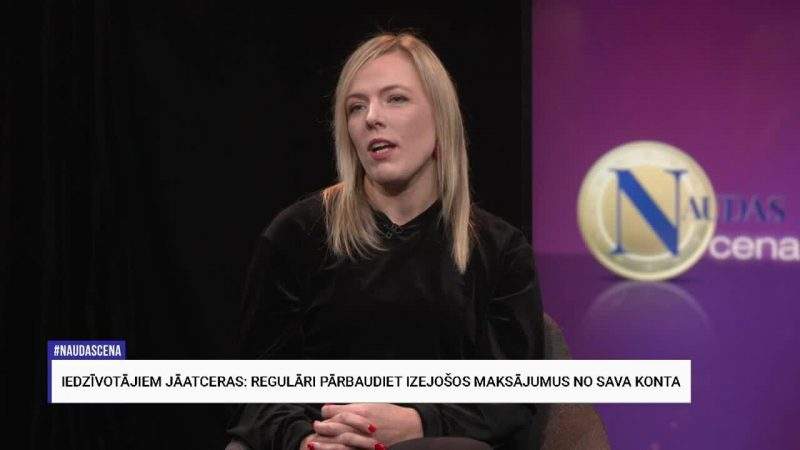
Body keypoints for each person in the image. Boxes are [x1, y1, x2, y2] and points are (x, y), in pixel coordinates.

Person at [226, 32, 543, 450]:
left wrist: (419, 422)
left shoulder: (499, 250)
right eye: (356, 107)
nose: (371, 117)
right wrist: (306, 440)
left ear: (441, 117)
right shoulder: (298, 234)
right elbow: (255, 388)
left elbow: (513, 396)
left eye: (395, 99)